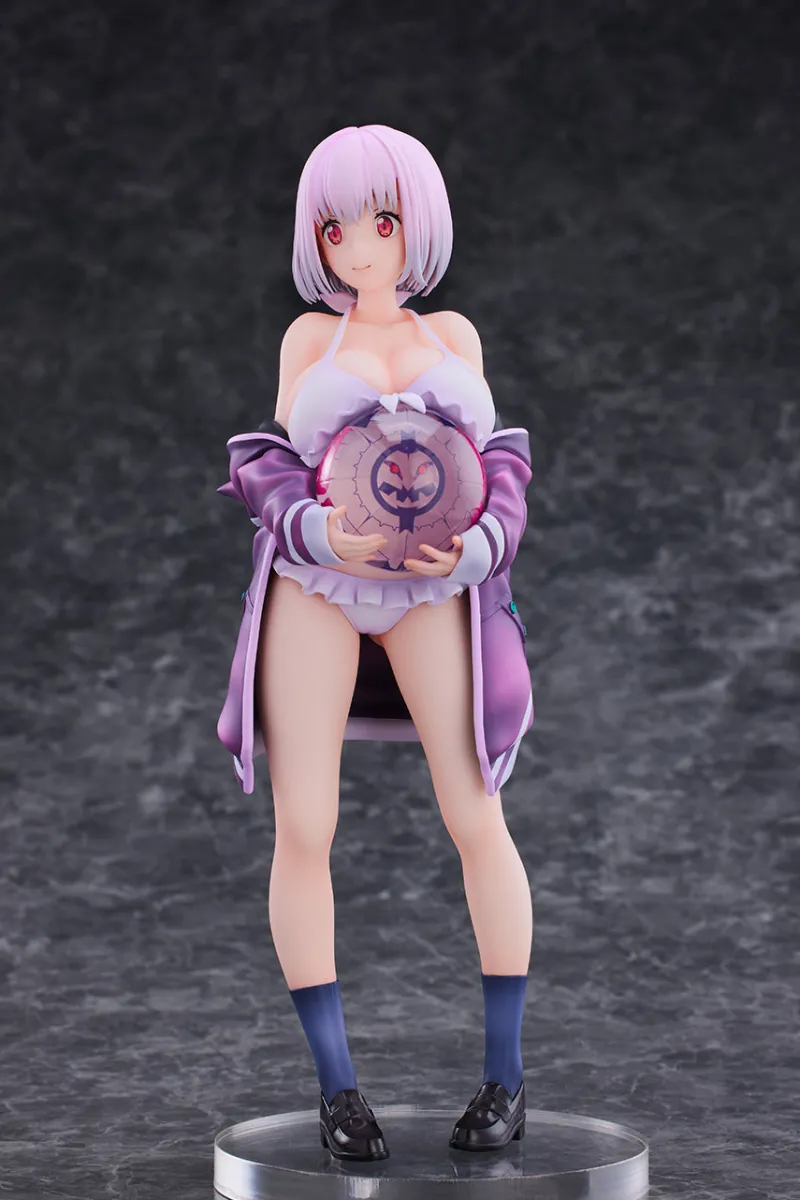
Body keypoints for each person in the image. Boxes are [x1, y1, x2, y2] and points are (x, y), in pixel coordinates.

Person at [217, 125, 535, 1160]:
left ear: (415, 225)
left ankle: (506, 1076)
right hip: (319, 587)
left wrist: (479, 546)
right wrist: (312, 529)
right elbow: (269, 465)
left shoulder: (454, 335)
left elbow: (501, 467)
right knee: (304, 825)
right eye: (335, 227)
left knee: (475, 812)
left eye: (381, 221)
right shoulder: (308, 340)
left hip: (431, 588)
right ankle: (337, 1089)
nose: (359, 247)